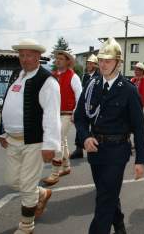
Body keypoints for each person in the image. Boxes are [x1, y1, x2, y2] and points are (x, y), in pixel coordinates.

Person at [74, 37, 144, 234]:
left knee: (104, 200)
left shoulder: (129, 91)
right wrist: (85, 137)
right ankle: (120, 224)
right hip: (96, 150)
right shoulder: (92, 86)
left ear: (118, 63)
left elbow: (139, 128)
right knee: (107, 194)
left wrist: (141, 160)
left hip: (117, 152)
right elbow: (80, 117)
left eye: (108, 60)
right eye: (101, 60)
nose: (103, 64)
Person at [0, 38, 61, 234]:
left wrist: (50, 145)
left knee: (26, 185)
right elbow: (7, 104)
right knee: (11, 181)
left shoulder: (47, 80)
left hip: (34, 141)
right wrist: (2, 131)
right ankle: (41, 193)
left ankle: (27, 225)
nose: (24, 59)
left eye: (28, 56)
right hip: (12, 140)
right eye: (21, 55)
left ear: (38, 57)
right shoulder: (17, 75)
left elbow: (52, 114)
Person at [43, 49, 82, 186]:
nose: (58, 60)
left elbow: (80, 97)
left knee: (57, 140)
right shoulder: (54, 76)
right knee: (62, 140)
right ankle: (66, 167)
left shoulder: (73, 77)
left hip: (67, 114)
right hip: (55, 114)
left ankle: (54, 172)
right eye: (57, 58)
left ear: (68, 61)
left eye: (61, 58)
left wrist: (76, 113)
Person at [71, 54, 100, 159]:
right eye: (87, 63)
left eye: (91, 63)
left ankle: (95, 147)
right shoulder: (85, 76)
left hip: (96, 105)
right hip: (85, 104)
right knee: (81, 126)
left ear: (96, 65)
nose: (88, 65)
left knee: (95, 128)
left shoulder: (99, 75)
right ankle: (79, 149)